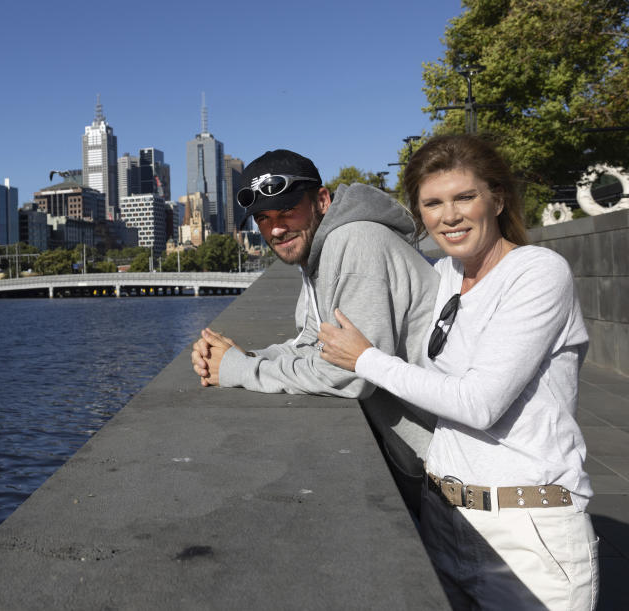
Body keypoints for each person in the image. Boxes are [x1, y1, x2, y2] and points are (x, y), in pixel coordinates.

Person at [317, 134, 598, 610]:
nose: (449, 215)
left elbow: (479, 403)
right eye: (433, 203)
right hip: (445, 520)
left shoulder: (537, 272)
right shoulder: (446, 275)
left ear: (497, 198)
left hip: (526, 534)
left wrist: (366, 359)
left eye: (464, 197)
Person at [190, 149, 439, 514]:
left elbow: (351, 374)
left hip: (453, 471)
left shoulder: (355, 243)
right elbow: (312, 342)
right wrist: (239, 358)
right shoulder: (319, 253)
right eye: (264, 218)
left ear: (322, 200)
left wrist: (240, 372)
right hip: (423, 465)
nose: (276, 229)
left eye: (288, 211)